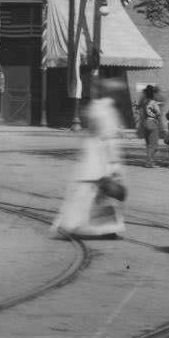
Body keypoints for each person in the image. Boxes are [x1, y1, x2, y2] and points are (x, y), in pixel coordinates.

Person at [51, 81, 126, 239]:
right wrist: (114, 163)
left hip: (90, 153)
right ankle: (75, 226)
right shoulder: (108, 110)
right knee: (99, 193)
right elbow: (109, 139)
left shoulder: (95, 107)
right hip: (101, 156)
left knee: (89, 193)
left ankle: (101, 227)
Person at [136, 85, 164, 168]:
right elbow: (158, 113)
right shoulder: (153, 103)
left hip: (145, 123)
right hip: (152, 123)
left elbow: (137, 107)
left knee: (148, 145)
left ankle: (149, 162)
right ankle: (150, 162)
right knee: (154, 145)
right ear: (152, 94)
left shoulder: (144, 102)